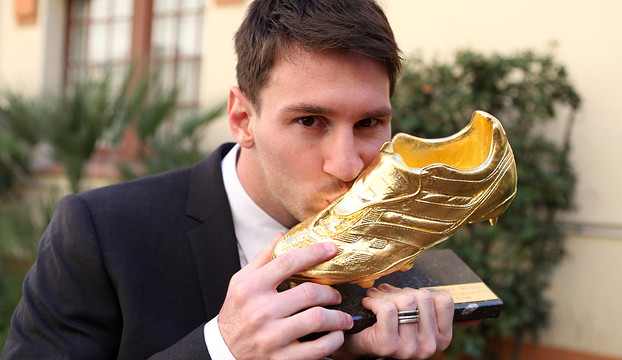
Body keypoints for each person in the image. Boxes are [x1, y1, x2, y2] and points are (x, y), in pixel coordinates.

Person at [1, 0, 458, 358]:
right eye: (310, 121)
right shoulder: (99, 233)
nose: (348, 165)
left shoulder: (398, 240)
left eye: (369, 124)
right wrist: (221, 349)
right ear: (242, 118)